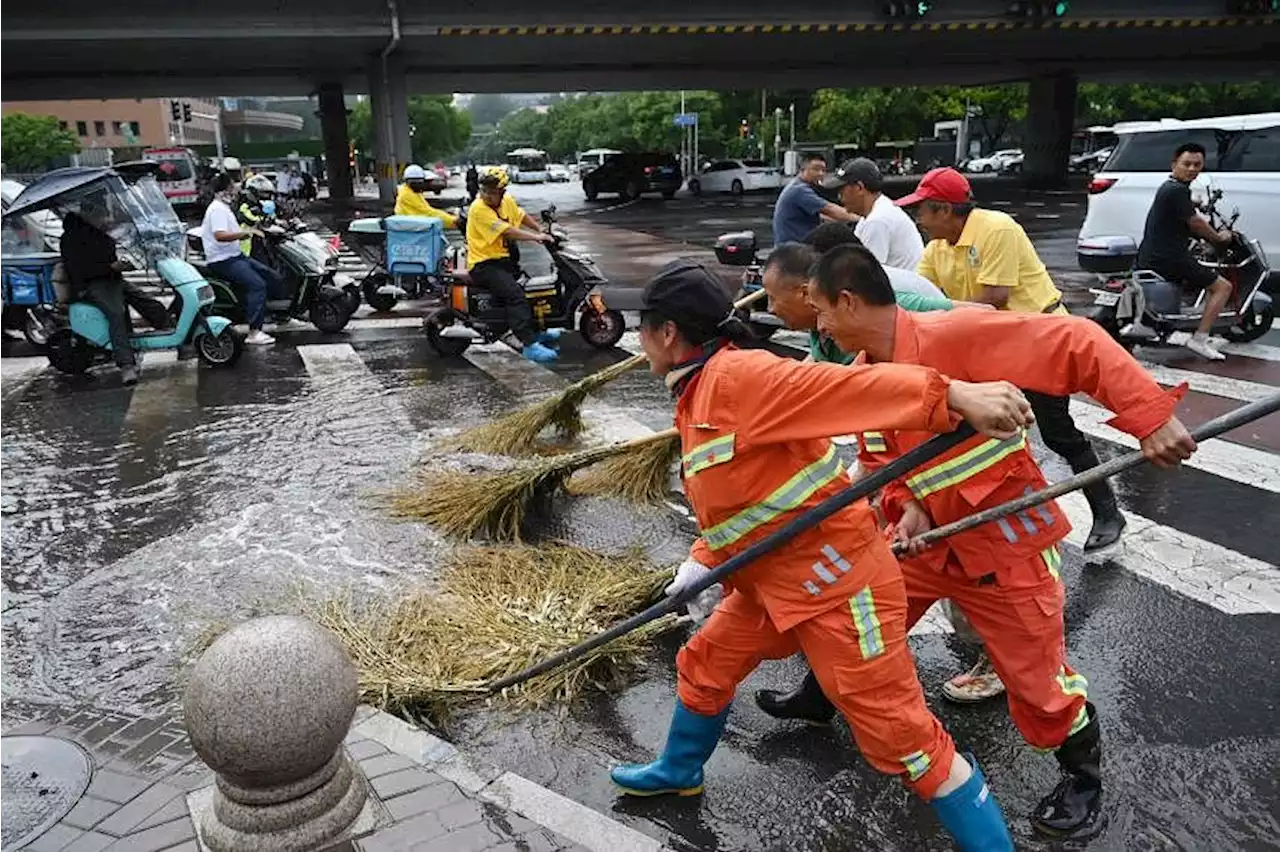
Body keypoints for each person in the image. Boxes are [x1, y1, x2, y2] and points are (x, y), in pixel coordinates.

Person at [610, 258, 1037, 851]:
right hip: (771, 577)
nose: (639, 341)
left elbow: (844, 386)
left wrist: (954, 395)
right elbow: (750, 497)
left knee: (902, 738)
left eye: (641, 329)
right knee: (704, 663)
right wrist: (704, 558)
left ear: (666, 334)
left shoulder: (739, 378)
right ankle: (678, 772)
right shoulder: (697, 392)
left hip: (840, 588)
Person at [805, 243, 1195, 839]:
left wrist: (1150, 416)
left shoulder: (954, 335)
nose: (819, 326)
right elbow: (883, 461)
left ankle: (1083, 778)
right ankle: (820, 695)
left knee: (1041, 688)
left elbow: (1077, 343)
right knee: (856, 623)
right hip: (929, 545)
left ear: (849, 301)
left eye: (821, 311)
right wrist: (906, 510)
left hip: (1003, 548)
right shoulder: (866, 376)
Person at [752, 239, 1007, 719]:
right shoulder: (828, 329)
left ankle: (995, 661)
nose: (769, 309)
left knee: (979, 576)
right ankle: (822, 692)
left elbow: (971, 332)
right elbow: (834, 388)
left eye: (773, 298)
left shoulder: (905, 314)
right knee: (883, 580)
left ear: (812, 293)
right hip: (901, 460)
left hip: (963, 466)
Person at [898, 167, 1127, 554]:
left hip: (1039, 339)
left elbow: (994, 299)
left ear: (943, 210)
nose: (917, 218)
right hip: (991, 344)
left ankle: (1108, 512)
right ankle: (984, 523)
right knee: (975, 431)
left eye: (921, 209)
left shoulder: (995, 229)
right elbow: (921, 297)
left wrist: (938, 310)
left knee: (1058, 433)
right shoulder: (937, 248)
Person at [59, 193, 173, 385]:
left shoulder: (100, 232)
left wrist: (122, 263)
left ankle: (171, 330)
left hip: (112, 279)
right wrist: (110, 268)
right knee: (116, 314)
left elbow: (112, 254)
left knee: (145, 300)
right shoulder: (70, 239)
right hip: (90, 284)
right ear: (88, 215)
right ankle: (126, 365)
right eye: (101, 216)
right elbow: (79, 269)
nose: (105, 219)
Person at [1135, 142, 1234, 361]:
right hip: (1170, 258)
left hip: (1152, 254)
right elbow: (1196, 223)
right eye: (1186, 164)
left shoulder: (1171, 187)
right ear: (1174, 164)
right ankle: (1200, 339)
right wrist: (1219, 238)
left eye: (1197, 165)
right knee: (1222, 287)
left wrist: (1194, 203)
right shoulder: (1177, 190)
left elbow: (1182, 210)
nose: (1192, 169)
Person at [465, 167, 560, 363]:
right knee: (515, 295)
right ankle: (528, 344)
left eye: (493, 191)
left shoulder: (506, 201)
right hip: (485, 265)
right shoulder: (478, 209)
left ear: (502, 191)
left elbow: (520, 214)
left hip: (504, 261)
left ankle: (535, 332)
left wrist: (540, 228)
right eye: (485, 190)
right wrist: (536, 237)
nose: (488, 195)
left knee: (530, 290)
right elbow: (507, 231)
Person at [200, 172, 283, 346]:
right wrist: (244, 233)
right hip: (223, 260)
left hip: (235, 256)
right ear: (223, 191)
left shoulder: (224, 208)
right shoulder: (216, 210)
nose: (236, 190)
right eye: (232, 187)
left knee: (271, 276)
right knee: (257, 285)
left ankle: (282, 316)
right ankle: (254, 331)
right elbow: (220, 235)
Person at [823, 157, 925, 270]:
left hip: (903, 286)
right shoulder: (873, 213)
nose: (839, 197)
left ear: (859, 188)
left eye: (841, 190)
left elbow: (867, 274)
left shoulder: (878, 220)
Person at [771, 152, 857, 244]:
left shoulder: (798, 185)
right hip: (795, 251)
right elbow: (830, 210)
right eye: (815, 169)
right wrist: (861, 218)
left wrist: (845, 220)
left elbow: (822, 215)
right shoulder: (799, 190)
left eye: (823, 170)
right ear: (802, 170)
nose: (820, 174)